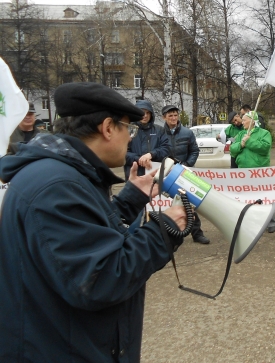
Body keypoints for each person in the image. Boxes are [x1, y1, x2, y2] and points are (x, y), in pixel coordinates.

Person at [0, 82, 187, 361]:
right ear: (108, 128)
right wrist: (165, 229)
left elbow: (86, 234)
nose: (130, 138)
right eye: (128, 128)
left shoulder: (62, 174)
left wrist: (130, 200)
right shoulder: (57, 186)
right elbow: (101, 280)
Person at [162, 104, 210, 244]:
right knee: (168, 206)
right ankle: (169, 235)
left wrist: (187, 165)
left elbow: (194, 151)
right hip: (166, 175)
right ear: (164, 117)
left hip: (184, 174)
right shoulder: (160, 133)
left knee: (189, 203)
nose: (173, 118)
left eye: (175, 115)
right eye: (170, 115)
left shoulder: (187, 133)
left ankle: (197, 233)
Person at [230, 111, 275, 233]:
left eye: (244, 120)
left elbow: (264, 148)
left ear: (252, 121)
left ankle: (271, 222)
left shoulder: (264, 133)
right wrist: (241, 144)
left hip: (259, 172)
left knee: (265, 197)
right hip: (243, 172)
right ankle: (251, 223)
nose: (242, 122)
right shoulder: (241, 134)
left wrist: (249, 141)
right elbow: (232, 150)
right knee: (247, 199)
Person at [124, 99, 170, 179]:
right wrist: (139, 159)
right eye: (142, 112)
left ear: (151, 114)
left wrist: (152, 154)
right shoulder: (128, 129)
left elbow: (166, 149)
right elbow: (123, 153)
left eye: (148, 113)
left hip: (154, 174)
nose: (145, 115)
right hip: (134, 175)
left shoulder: (159, 130)